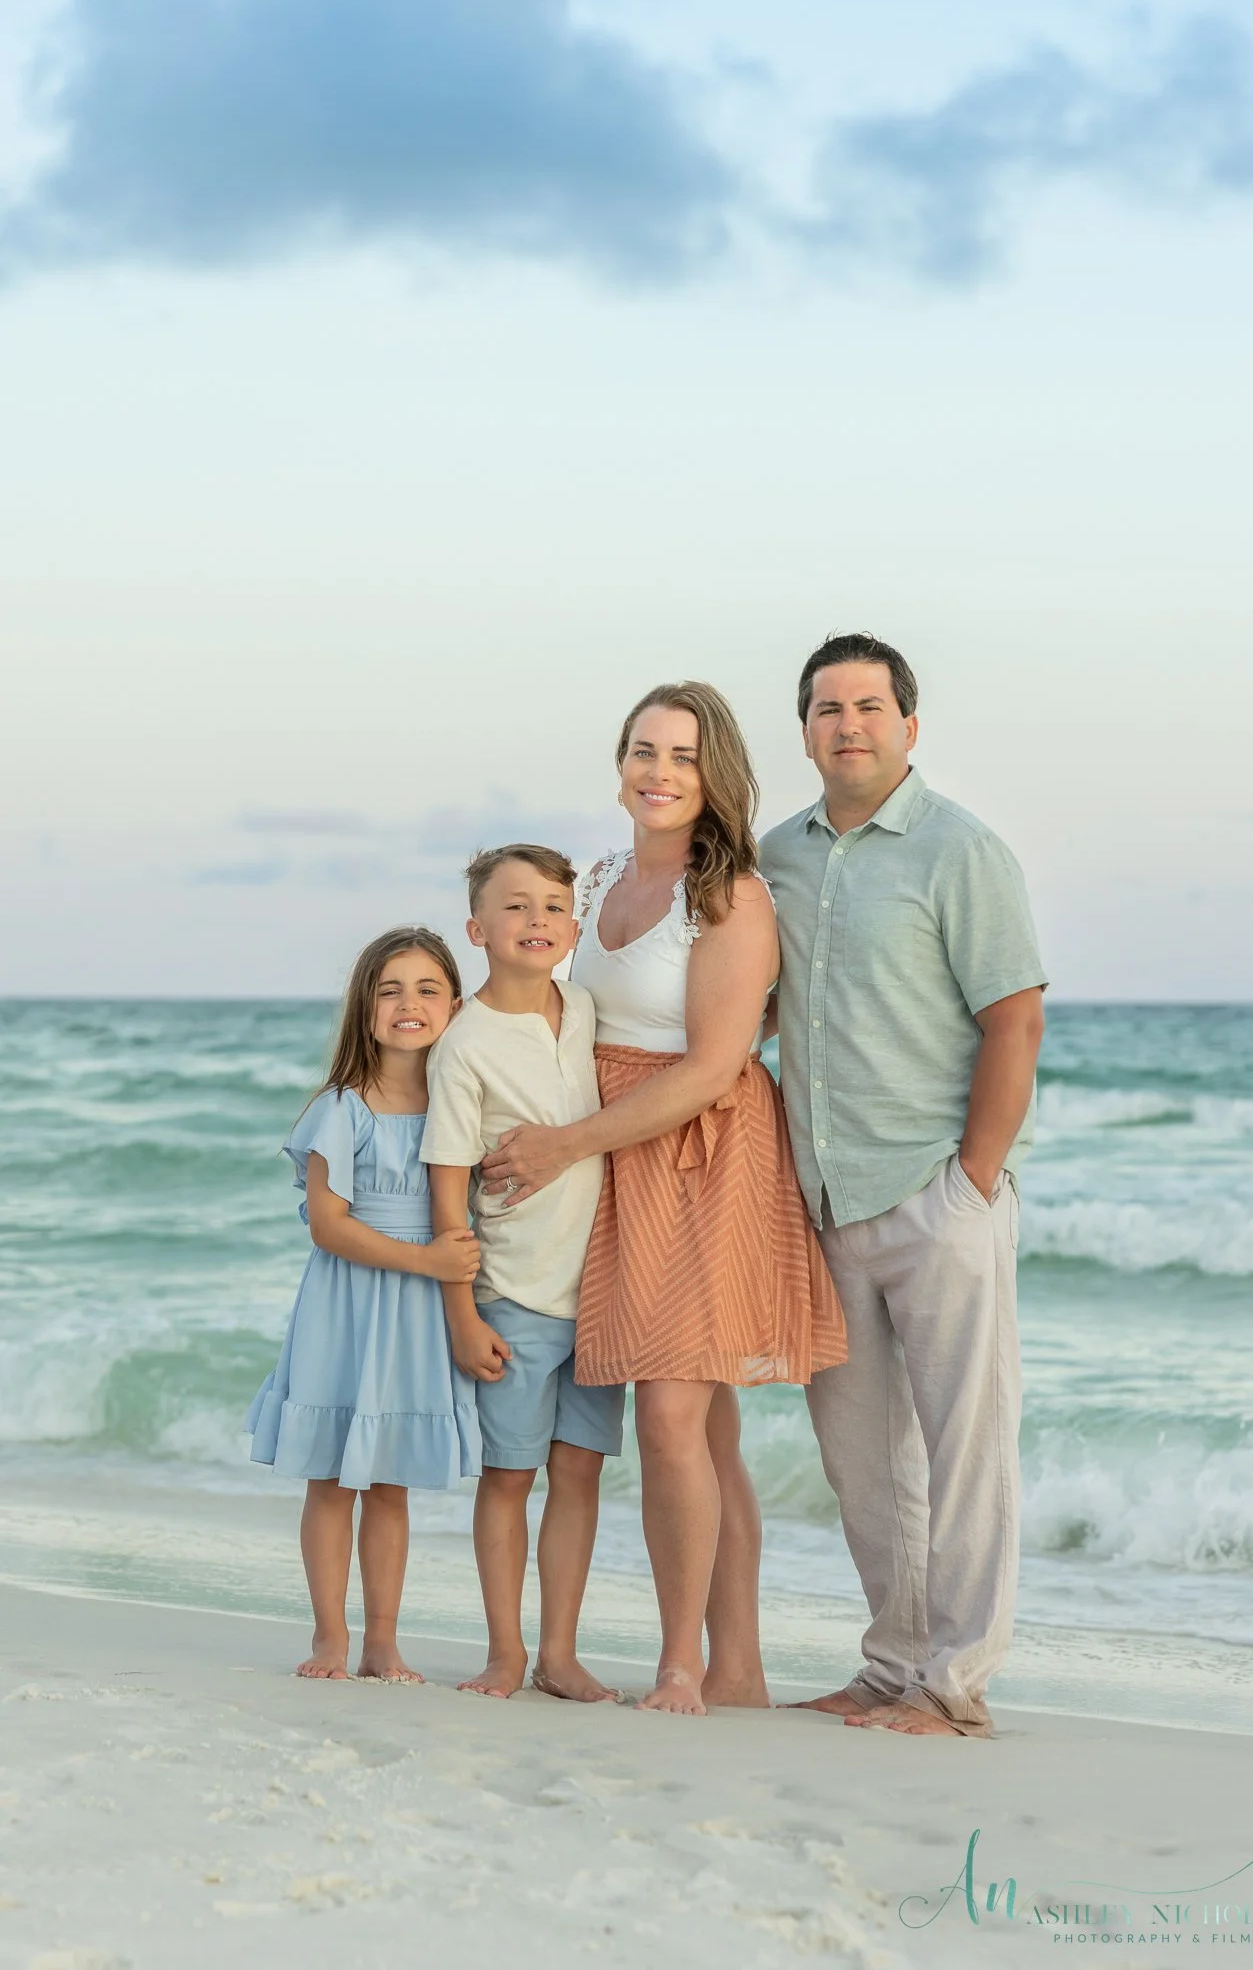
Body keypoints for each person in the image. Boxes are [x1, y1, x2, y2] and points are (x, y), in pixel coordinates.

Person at [479, 683, 846, 1716]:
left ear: (713, 773)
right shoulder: (589, 884)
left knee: (673, 1411)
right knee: (706, 1426)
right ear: (620, 762)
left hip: (698, 1152)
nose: (658, 770)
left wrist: (562, 1142)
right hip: (603, 1153)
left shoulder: (729, 895)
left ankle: (678, 1663)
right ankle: (739, 1665)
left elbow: (711, 1065)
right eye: (643, 749)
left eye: (682, 755)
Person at [760, 632, 1046, 1738]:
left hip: (933, 1195)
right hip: (824, 1200)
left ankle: (953, 1680)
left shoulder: (958, 850)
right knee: (862, 1460)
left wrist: (970, 1179)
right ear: (804, 731)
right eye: (827, 707)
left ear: (908, 724)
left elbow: (1012, 1018)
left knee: (965, 1446)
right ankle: (891, 1662)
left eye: (870, 705)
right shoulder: (775, 855)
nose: (848, 724)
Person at [246, 927, 483, 1683]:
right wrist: (429, 1261)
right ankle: (330, 1638)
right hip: (347, 1304)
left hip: (416, 1314)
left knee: (388, 1481)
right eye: (390, 990)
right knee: (330, 1476)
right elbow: (328, 1224)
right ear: (365, 1008)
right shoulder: (343, 1108)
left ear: (454, 1003)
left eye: (426, 990)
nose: (408, 1005)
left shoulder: (462, 1101)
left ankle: (383, 1641)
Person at [421, 845, 625, 1703]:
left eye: (552, 906)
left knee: (580, 1474)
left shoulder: (583, 1009)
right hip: (515, 1295)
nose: (536, 920)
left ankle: (560, 1653)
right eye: (515, 906)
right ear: (477, 929)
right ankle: (505, 1652)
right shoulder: (464, 1044)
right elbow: (447, 1197)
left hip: (604, 1291)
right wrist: (463, 1315)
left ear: (574, 927)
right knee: (510, 1476)